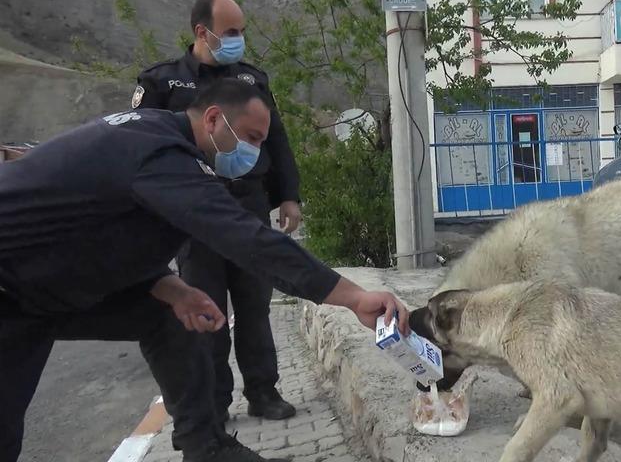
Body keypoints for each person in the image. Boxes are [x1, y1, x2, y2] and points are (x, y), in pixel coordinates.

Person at [0, 79, 411, 462]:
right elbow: (247, 241)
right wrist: (354, 296)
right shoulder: (161, 154)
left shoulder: (154, 135)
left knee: (172, 316)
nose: (254, 154)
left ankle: (206, 447)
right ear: (213, 118)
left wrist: (173, 289)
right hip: (12, 288)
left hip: (45, 288)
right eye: (251, 138)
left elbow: (108, 231)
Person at [133, 0, 303, 422]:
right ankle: (215, 401)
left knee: (254, 308)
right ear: (201, 32)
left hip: (247, 205)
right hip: (194, 215)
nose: (238, 40)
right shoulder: (163, 83)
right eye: (230, 32)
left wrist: (289, 196)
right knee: (207, 311)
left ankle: (264, 392)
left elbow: (276, 140)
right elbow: (140, 148)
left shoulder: (252, 81)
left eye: (241, 31)